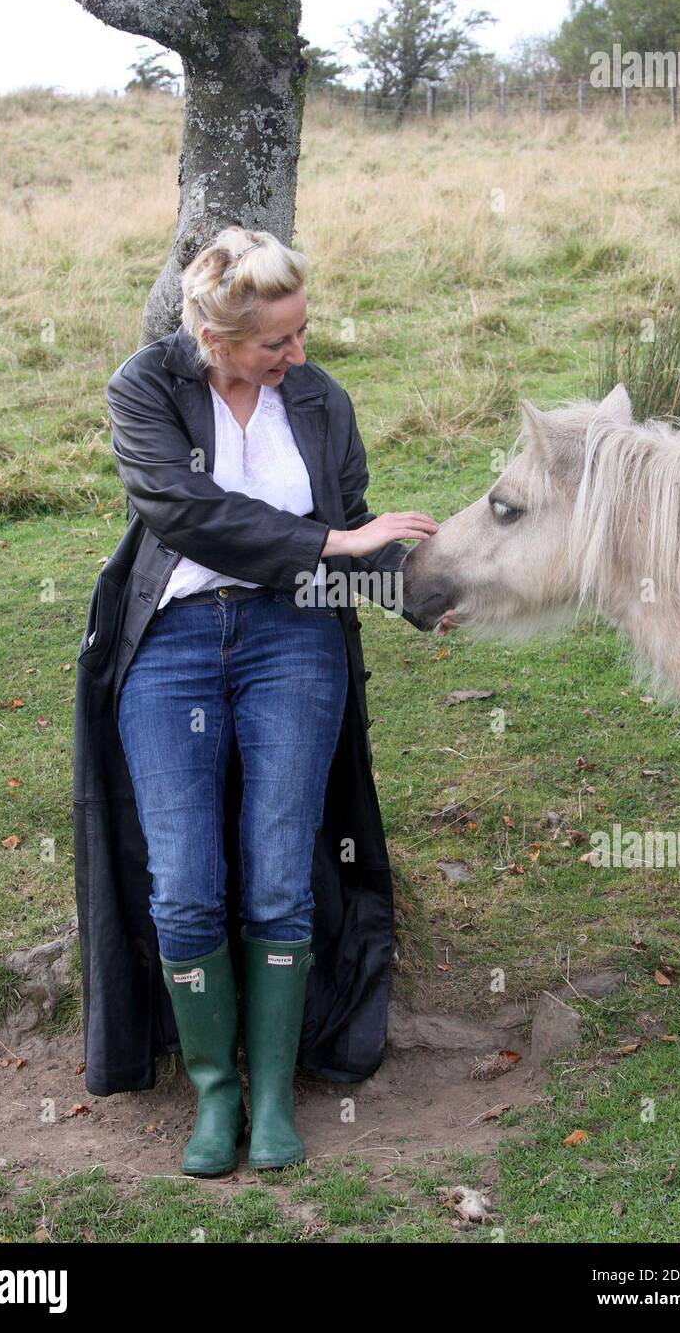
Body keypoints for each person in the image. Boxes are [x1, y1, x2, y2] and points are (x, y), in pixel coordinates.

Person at [107, 224, 439, 1176]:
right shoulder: (145, 387)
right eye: (275, 343)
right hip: (170, 644)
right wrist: (327, 545)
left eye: (300, 334)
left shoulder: (319, 396)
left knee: (280, 874)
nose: (297, 356)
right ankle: (215, 1095)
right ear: (218, 338)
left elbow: (355, 526)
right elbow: (184, 512)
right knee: (183, 881)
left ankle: (276, 1097)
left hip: (294, 640)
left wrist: (419, 597)